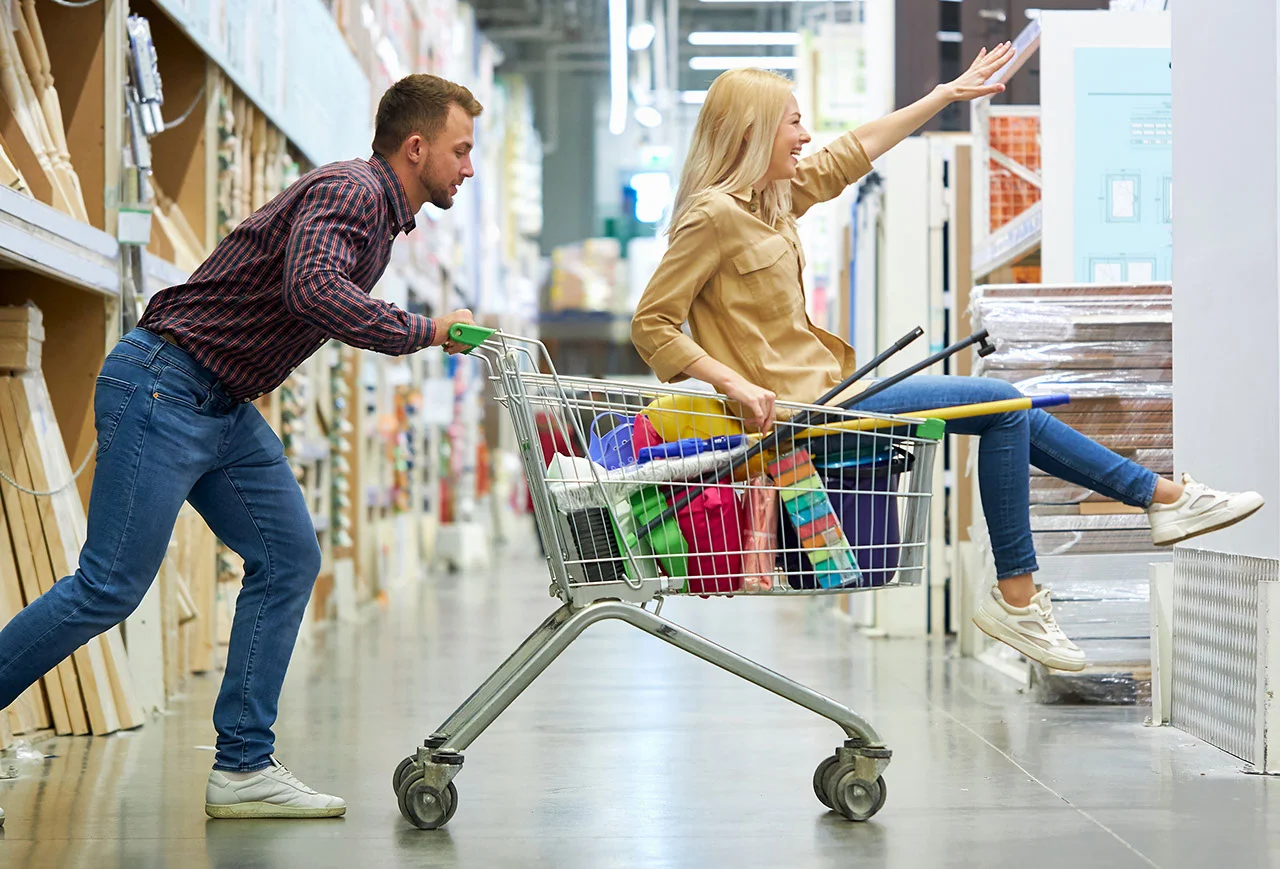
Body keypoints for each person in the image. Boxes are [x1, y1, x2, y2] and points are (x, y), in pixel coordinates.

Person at [631, 47, 1264, 673]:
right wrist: (731, 381)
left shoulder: (774, 203)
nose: (804, 135)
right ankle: (1110, 531)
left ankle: (1143, 507)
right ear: (752, 131)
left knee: (1008, 409)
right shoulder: (712, 217)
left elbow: (850, 154)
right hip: (803, 414)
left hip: (831, 396)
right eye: (793, 121)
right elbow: (652, 323)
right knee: (1003, 407)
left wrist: (943, 96)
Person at [0, 73, 483, 819]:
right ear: (417, 148)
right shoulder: (354, 191)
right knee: (108, 587)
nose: (470, 167)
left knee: (290, 555)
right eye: (461, 150)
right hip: (164, 385)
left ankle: (242, 766)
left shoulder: (382, 219)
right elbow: (313, 290)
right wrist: (427, 329)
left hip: (218, 404)